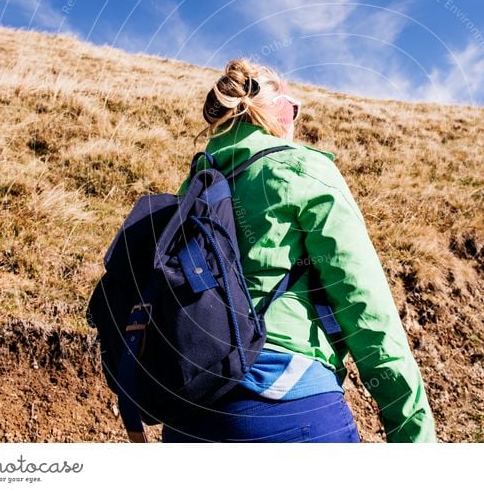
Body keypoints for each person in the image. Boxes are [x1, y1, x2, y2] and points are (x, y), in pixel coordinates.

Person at [161, 58, 437, 443]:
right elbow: (363, 301)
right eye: (293, 108)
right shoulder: (299, 168)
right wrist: (412, 431)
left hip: (188, 413)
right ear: (272, 109)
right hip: (285, 399)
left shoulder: (191, 187)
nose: (295, 120)